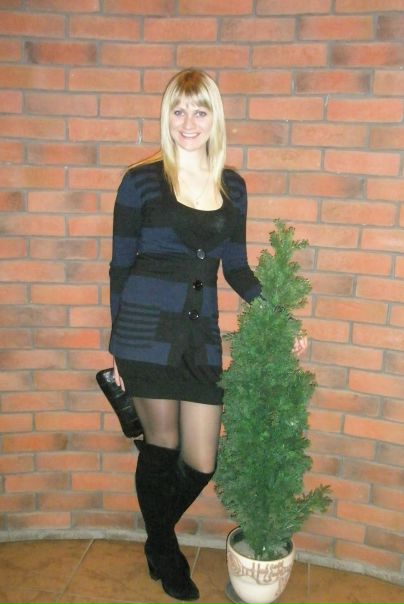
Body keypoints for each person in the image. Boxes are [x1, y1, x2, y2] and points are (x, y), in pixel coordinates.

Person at [108, 68, 307, 601]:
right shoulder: (140, 181)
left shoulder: (231, 186)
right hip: (144, 335)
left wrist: (278, 315)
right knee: (161, 446)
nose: (188, 122)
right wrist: (117, 346)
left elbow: (236, 268)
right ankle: (165, 552)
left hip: (200, 339)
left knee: (200, 460)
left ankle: (155, 537)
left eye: (199, 110)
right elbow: (120, 266)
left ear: (214, 117)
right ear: (166, 116)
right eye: (179, 110)